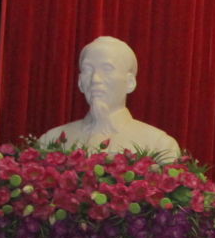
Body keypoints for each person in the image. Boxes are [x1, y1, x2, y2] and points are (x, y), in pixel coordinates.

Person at [40, 36, 182, 160]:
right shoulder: (51, 141)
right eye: (88, 69)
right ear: (80, 82)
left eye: (107, 68)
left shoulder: (158, 146)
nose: (95, 79)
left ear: (130, 83)